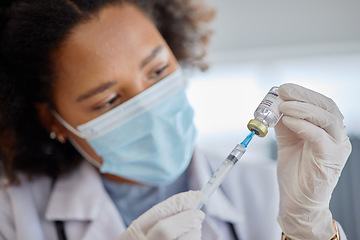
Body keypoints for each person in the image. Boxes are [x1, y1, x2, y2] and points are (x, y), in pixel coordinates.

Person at [0, 0, 351, 239]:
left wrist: (309, 229)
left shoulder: (265, 190)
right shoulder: (13, 213)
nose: (148, 106)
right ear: (52, 120)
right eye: (109, 99)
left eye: (157, 70)